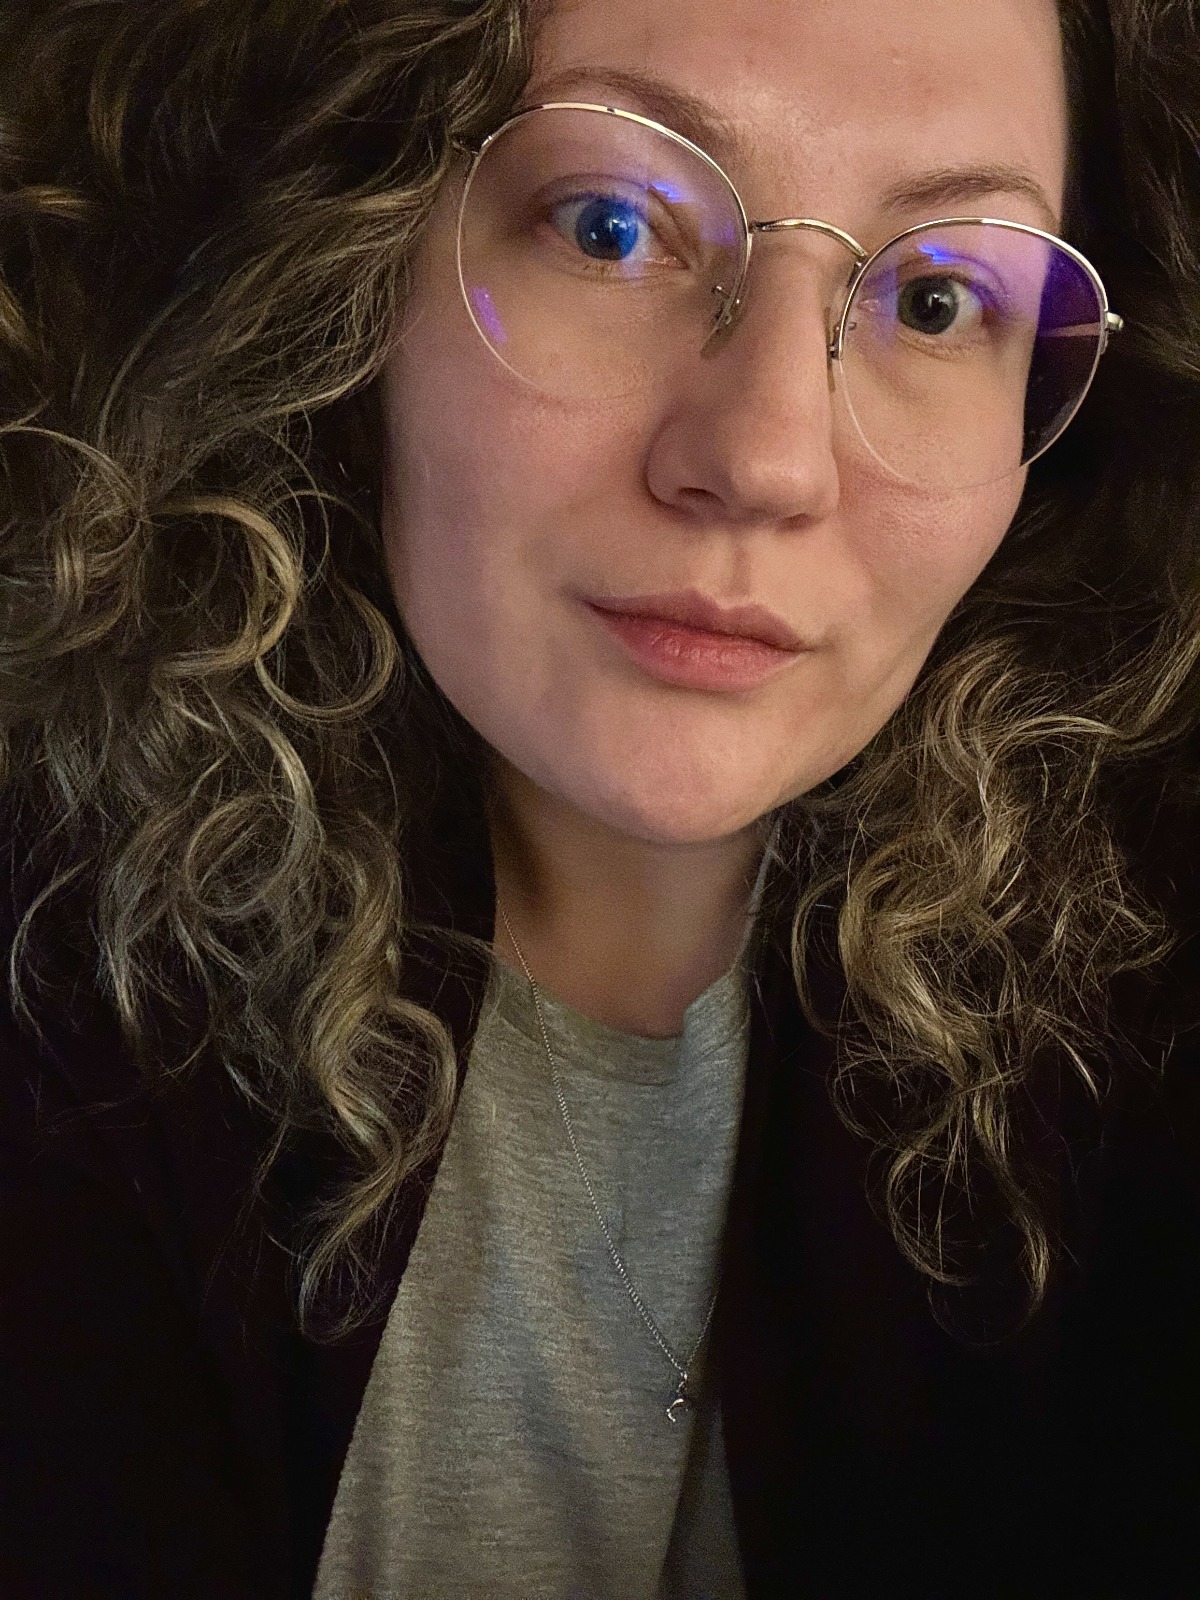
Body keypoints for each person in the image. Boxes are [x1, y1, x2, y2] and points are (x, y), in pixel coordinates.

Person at [2, 0, 1199, 1594]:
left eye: (936, 297)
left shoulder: (1141, 1041)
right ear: (340, 254)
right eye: (611, 224)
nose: (767, 458)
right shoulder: (50, 1001)